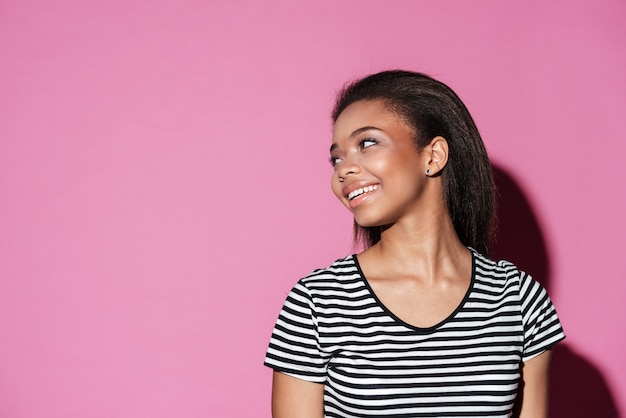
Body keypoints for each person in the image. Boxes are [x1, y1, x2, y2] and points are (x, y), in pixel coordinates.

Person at [264, 70, 565, 418]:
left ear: (433, 156)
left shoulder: (518, 299)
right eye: (337, 158)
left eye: (367, 143)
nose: (344, 170)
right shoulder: (318, 303)